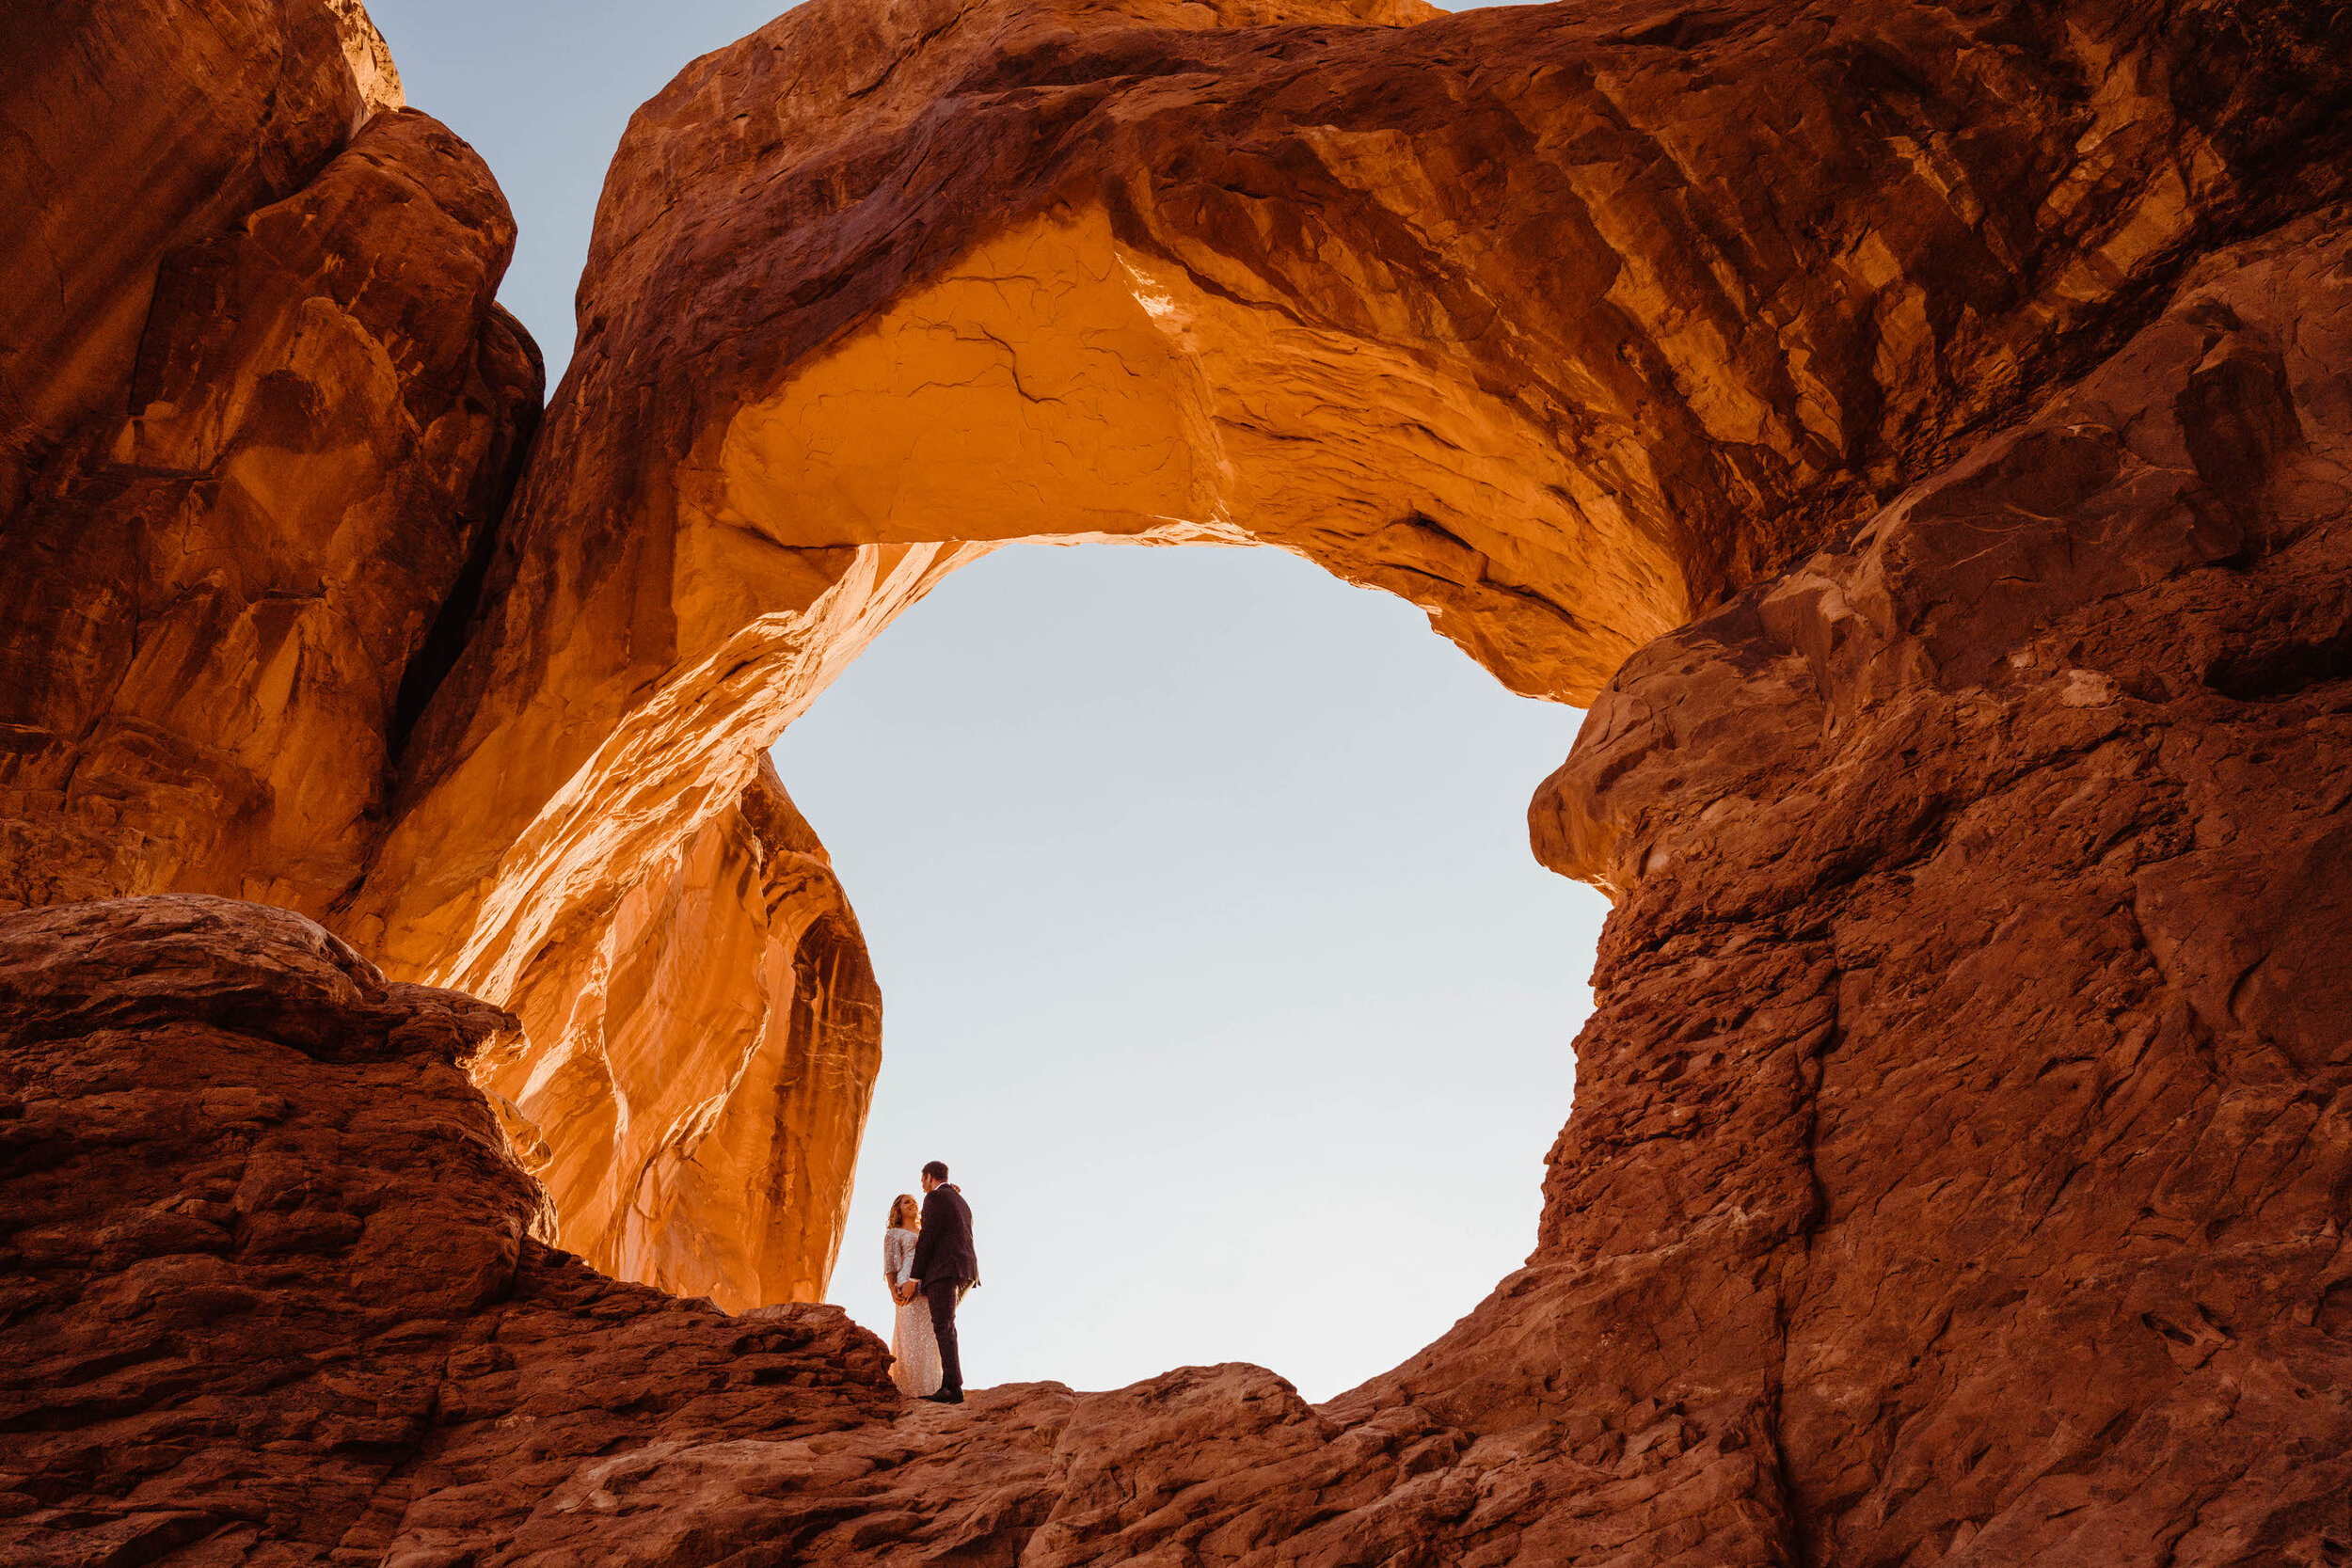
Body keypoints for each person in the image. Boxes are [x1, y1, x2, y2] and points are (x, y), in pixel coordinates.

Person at [908, 1159, 978, 1404]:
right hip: (966, 1270)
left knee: (944, 1326)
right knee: (947, 1325)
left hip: (944, 1270)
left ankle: (951, 1387)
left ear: (929, 1176)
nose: (922, 1186)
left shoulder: (934, 1198)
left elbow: (927, 1238)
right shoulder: (960, 1200)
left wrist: (913, 1278)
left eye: (922, 1180)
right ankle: (951, 1383)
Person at [881, 1194, 941, 1397]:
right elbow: (890, 1265)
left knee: (930, 1334)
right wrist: (892, 1289)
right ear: (898, 1210)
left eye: (914, 1201)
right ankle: (909, 1389)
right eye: (907, 1202)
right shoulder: (894, 1234)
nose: (912, 1204)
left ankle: (932, 1387)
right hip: (906, 1284)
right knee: (909, 1334)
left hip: (929, 1284)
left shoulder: (925, 1229)